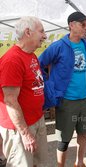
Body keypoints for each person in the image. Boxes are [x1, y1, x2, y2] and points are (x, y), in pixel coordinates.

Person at [39, 11, 86, 167]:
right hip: (66, 100)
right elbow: (39, 64)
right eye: (83, 24)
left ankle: (79, 162)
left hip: (85, 99)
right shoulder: (58, 46)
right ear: (71, 25)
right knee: (64, 139)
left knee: (84, 133)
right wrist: (50, 86)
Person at [0, 16, 48, 166]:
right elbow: (10, 100)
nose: (45, 36)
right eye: (42, 31)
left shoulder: (32, 55)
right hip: (20, 129)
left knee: (40, 163)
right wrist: (25, 134)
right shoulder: (12, 60)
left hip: (37, 120)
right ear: (28, 32)